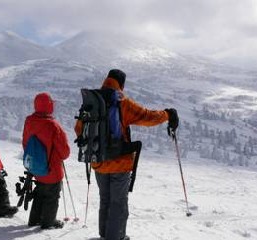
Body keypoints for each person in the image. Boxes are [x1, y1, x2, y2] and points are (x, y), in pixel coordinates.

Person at [74, 69, 179, 240]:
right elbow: (147, 117)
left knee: (105, 199)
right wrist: (167, 114)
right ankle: (116, 237)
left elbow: (78, 128)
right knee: (118, 203)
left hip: (98, 160)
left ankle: (105, 235)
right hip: (119, 162)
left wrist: (96, 144)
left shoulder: (92, 101)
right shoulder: (121, 102)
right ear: (121, 84)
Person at [22, 92, 70, 229]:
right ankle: (48, 222)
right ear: (50, 106)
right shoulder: (53, 126)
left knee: (39, 193)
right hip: (52, 169)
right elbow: (65, 152)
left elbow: (25, 143)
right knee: (52, 196)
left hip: (35, 167)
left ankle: (34, 219)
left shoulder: (29, 121)